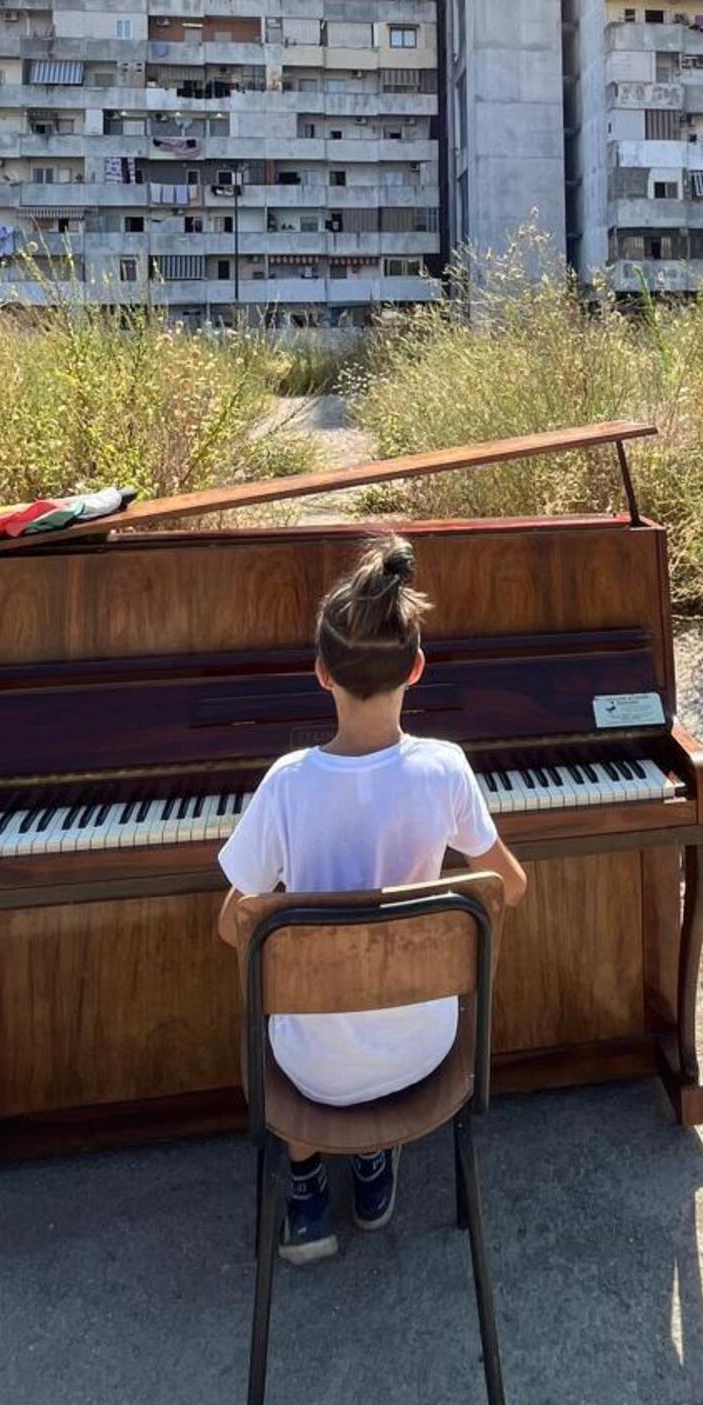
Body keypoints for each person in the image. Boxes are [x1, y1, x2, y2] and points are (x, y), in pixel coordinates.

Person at [216, 532, 528, 1265]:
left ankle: (304, 1185)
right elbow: (507, 886)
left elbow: (234, 927)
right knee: (374, 1000)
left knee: (290, 1011)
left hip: (312, 1071)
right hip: (426, 1053)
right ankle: (375, 1155)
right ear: (417, 668)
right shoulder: (445, 768)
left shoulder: (287, 782)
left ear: (320, 672)